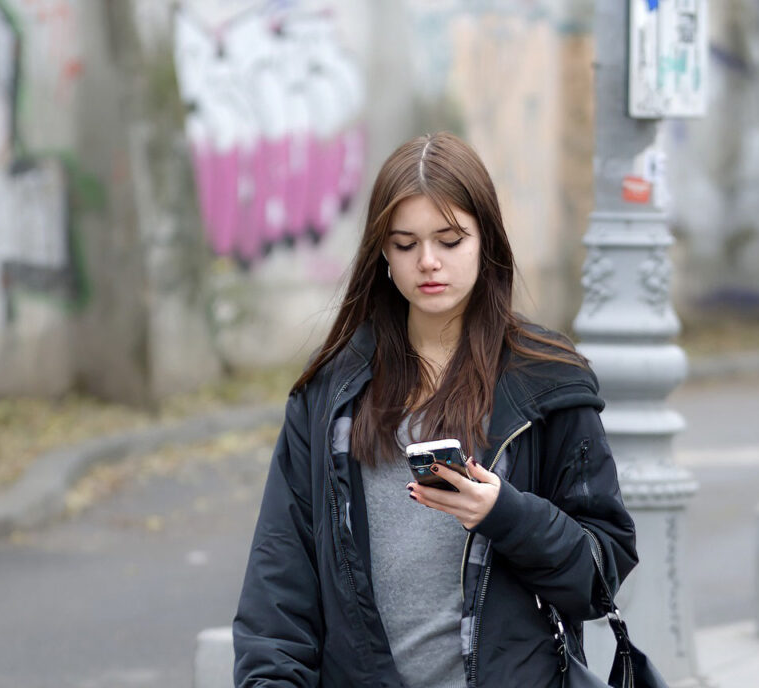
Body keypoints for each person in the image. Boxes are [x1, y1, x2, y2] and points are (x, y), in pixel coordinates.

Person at [233, 132, 638, 688]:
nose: (428, 263)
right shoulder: (332, 390)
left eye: (450, 240)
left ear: (485, 241)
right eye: (405, 244)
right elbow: (280, 574)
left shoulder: (546, 379)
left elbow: (600, 573)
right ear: (383, 252)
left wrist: (504, 515)